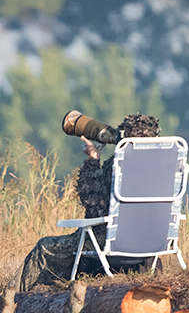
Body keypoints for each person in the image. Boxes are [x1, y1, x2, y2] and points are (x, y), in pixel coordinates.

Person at [18, 112, 161, 291]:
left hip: (113, 243)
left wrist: (93, 159)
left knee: (44, 246)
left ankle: (15, 298)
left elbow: (90, 198)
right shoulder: (164, 167)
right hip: (151, 245)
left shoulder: (120, 164)